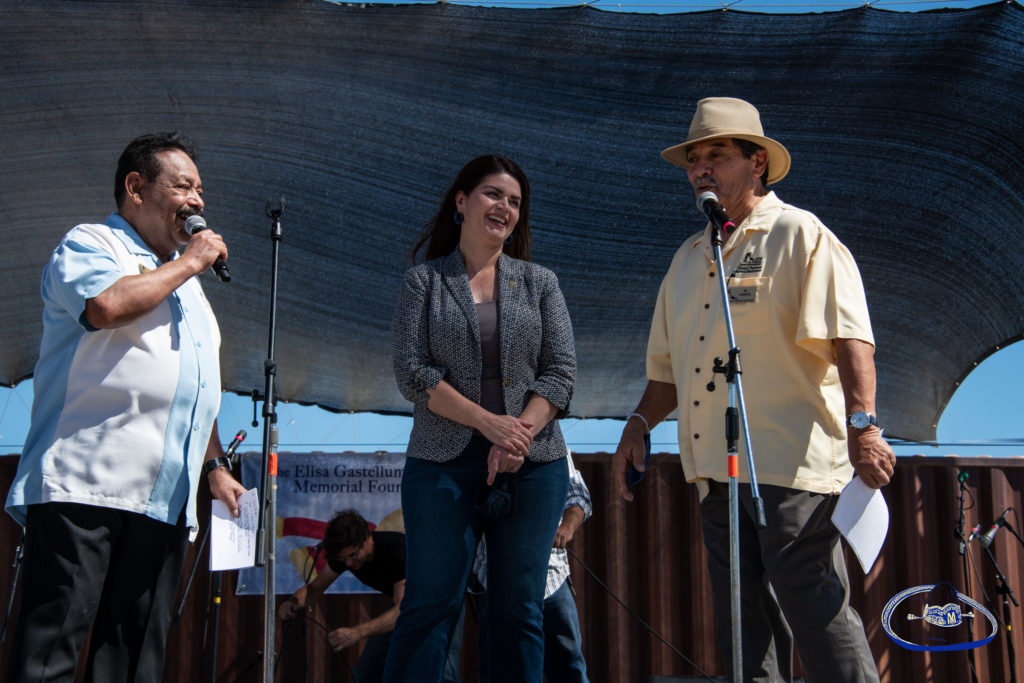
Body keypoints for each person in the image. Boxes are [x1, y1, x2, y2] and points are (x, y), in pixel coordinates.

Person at [613, 98, 895, 683]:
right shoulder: (688, 258)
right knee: (741, 625)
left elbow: (852, 339)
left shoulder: (800, 233)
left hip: (790, 464)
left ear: (758, 162)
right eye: (694, 159)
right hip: (717, 472)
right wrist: (637, 427)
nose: (701, 168)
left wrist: (865, 428)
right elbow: (668, 373)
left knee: (814, 607)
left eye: (717, 154)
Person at [4, 132, 247, 682]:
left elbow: (193, 386)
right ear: (136, 187)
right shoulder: (92, 243)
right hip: (84, 482)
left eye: (201, 190)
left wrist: (214, 467)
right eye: (183, 185)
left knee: (134, 660)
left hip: (164, 502)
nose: (198, 200)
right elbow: (105, 306)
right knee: (52, 653)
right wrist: (190, 262)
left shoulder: (184, 284)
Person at [387, 155, 576, 683]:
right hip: (441, 462)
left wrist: (519, 433)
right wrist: (490, 425)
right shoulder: (423, 282)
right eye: (494, 194)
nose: (505, 208)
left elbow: (561, 374)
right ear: (462, 201)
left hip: (535, 462)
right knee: (430, 603)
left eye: (515, 201)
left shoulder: (540, 282)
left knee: (518, 609)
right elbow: (411, 373)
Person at [278, 509, 462, 683]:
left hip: (441, 603)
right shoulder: (344, 556)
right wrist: (294, 601)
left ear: (367, 539)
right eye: (344, 559)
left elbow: (401, 611)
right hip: (408, 606)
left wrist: (357, 632)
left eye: (353, 555)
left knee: (442, 673)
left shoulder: (396, 551)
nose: (349, 563)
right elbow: (314, 589)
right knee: (366, 673)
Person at [473, 450, 592, 683]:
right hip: (494, 579)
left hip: (550, 579)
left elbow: (578, 495)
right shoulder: (472, 437)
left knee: (569, 668)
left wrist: (566, 527)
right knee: (498, 667)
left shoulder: (550, 440)